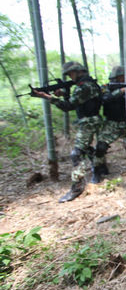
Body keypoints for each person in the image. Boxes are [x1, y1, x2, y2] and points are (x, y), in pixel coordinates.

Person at [33, 61, 102, 203]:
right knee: (88, 149)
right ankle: (98, 172)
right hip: (93, 120)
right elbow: (78, 101)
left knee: (76, 154)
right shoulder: (89, 84)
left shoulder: (83, 87)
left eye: (70, 74)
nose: (70, 77)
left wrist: (47, 97)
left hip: (88, 122)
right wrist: (63, 93)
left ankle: (77, 187)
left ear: (77, 72)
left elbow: (68, 106)